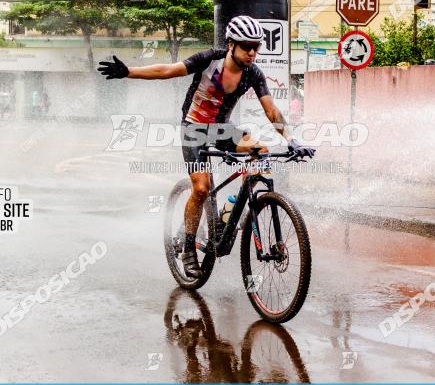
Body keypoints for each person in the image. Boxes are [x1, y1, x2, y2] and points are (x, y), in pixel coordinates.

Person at [98, 15, 315, 278]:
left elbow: (271, 110)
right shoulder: (209, 59)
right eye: (247, 46)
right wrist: (128, 72)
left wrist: (291, 141)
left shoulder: (253, 73)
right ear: (231, 44)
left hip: (223, 129)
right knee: (201, 188)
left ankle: (229, 208)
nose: (252, 52)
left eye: (256, 46)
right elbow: (167, 71)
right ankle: (189, 246)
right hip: (194, 129)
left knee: (262, 152)